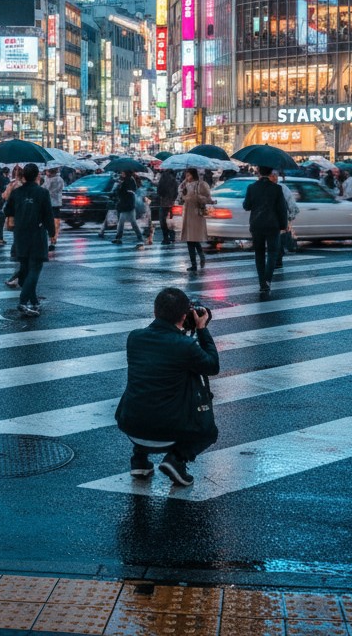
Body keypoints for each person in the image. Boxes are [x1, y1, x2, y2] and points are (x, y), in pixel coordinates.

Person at [114, 287, 220, 487]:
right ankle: (177, 459)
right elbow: (212, 366)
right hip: (167, 429)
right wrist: (202, 330)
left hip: (131, 424)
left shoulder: (134, 337)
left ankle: (139, 460)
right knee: (209, 431)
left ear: (155, 312)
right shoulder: (185, 346)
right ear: (184, 315)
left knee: (149, 393)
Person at [4, 163, 55, 317]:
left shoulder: (17, 192)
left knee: (25, 269)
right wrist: (52, 233)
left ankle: (34, 301)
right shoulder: (42, 193)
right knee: (35, 269)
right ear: (37, 175)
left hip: (20, 235)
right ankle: (23, 301)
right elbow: (48, 215)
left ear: (24, 176)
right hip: (36, 234)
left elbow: (7, 211)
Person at [243, 165, 288, 296]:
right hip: (273, 225)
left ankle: (262, 282)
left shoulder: (252, 187)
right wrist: (283, 225)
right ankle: (267, 280)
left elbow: (246, 206)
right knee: (273, 253)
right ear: (270, 173)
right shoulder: (277, 188)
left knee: (259, 254)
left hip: (256, 225)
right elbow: (282, 209)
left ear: (258, 172)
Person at [179, 167, 213, 274]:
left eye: (188, 175)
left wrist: (197, 196)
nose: (187, 177)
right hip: (188, 214)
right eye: (186, 175)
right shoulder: (185, 185)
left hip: (196, 214)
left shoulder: (201, 184)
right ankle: (198, 259)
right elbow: (180, 195)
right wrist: (183, 189)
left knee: (192, 239)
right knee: (191, 239)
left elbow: (208, 198)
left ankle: (195, 263)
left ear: (193, 175)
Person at [270, 169, 299, 270]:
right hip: (276, 219)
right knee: (277, 241)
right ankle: (276, 260)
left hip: (278, 219)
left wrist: (290, 218)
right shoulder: (281, 188)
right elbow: (292, 205)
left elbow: (291, 204)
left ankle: (277, 260)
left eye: (276, 175)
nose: (275, 177)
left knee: (277, 241)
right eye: (273, 175)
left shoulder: (282, 188)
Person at [110, 171, 143, 248]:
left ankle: (139, 237)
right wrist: (119, 185)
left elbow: (130, 191)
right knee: (121, 222)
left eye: (122, 172)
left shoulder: (130, 180)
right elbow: (120, 192)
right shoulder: (123, 180)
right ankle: (118, 238)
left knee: (133, 223)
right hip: (124, 204)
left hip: (128, 205)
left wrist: (122, 187)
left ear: (126, 173)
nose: (121, 174)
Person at [0, 167, 20, 246]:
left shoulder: (6, 180)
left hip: (5, 202)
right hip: (10, 204)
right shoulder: (10, 181)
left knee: (1, 220)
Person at [156, 169, 179, 245]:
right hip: (172, 203)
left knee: (163, 221)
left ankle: (166, 238)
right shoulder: (174, 181)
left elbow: (159, 191)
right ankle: (172, 236)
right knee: (171, 220)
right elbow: (176, 193)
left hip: (164, 203)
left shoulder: (163, 178)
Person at [44, 167, 65, 249]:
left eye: (47, 171)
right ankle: (51, 239)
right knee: (51, 223)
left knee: (55, 223)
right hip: (49, 204)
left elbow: (48, 190)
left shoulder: (58, 180)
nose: (46, 173)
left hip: (54, 203)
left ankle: (53, 239)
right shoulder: (46, 178)